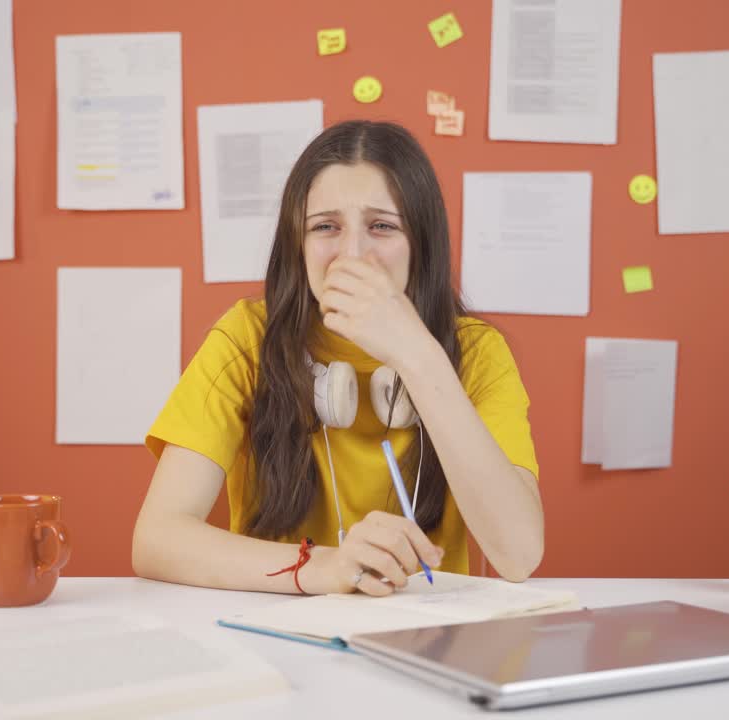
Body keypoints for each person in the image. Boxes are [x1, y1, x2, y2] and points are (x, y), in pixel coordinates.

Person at [133, 120, 544, 596]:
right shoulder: (247, 338)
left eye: (382, 226)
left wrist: (418, 355)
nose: (352, 254)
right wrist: (322, 567)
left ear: (421, 245)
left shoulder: (475, 352)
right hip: (277, 622)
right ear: (297, 245)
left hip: (426, 633)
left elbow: (519, 555)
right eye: (325, 226)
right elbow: (157, 539)